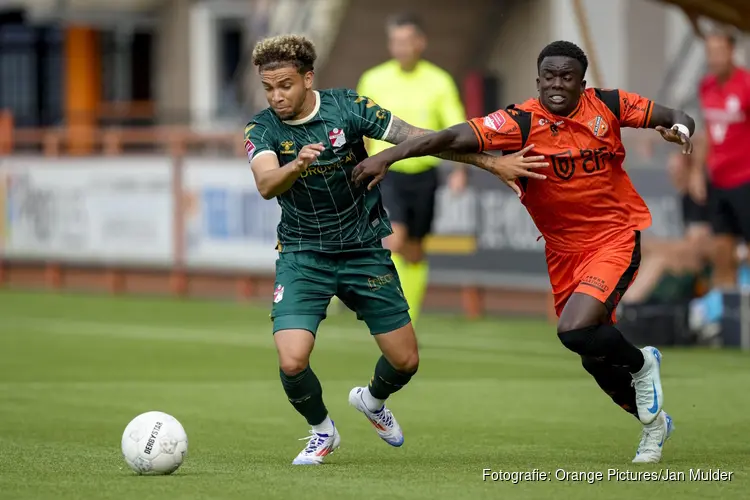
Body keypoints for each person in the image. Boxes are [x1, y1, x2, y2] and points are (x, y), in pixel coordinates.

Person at [352, 40, 695, 464]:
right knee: (592, 357)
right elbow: (448, 136)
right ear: (538, 80)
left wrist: (680, 129)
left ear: (581, 83)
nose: (557, 84)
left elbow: (676, 116)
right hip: (564, 252)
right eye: (549, 76)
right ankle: (654, 426)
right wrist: (390, 156)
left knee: (573, 330)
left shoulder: (609, 105)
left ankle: (643, 365)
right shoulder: (520, 120)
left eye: (566, 77)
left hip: (615, 237)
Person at [244, 34, 546, 465]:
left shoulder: (348, 108)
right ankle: (321, 430)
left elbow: (421, 137)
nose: (276, 96)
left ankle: (371, 399)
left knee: (405, 361)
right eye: (269, 88)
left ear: (308, 78)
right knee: (292, 361)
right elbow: (265, 184)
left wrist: (492, 162)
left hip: (364, 250)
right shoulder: (261, 128)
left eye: (286, 85)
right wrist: (296, 164)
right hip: (302, 254)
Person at [356, 13, 468, 324]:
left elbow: (455, 126)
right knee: (396, 238)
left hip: (425, 174)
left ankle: (410, 314)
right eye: (395, 41)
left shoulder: (439, 80)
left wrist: (461, 170)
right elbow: (360, 126)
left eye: (407, 41)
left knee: (416, 249)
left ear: (421, 42)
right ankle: (390, 310)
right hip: (387, 172)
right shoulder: (373, 79)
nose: (401, 47)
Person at [688, 30, 750, 332]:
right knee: (722, 252)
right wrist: (698, 172)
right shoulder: (706, 86)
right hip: (719, 182)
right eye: (710, 52)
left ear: (731, 52)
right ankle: (727, 324)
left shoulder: (746, 84)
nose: (714, 58)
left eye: (720, 51)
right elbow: (708, 135)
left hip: (746, 179)